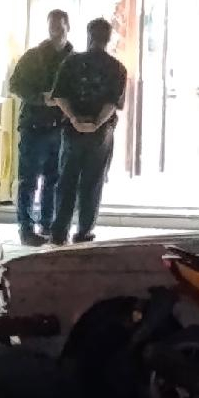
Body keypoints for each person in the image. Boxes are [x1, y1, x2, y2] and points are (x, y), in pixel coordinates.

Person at [47, 17, 128, 246]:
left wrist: (74, 118)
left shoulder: (71, 62)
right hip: (101, 134)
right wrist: (96, 123)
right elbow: (113, 103)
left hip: (72, 131)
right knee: (92, 182)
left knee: (67, 180)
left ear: (89, 35)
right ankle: (84, 232)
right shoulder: (117, 68)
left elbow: (59, 96)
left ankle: (59, 231)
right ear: (108, 38)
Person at [6, 9, 71, 245]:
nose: (56, 31)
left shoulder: (73, 59)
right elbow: (14, 84)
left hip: (60, 128)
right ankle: (26, 228)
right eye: (52, 26)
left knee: (55, 180)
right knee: (29, 180)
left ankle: (47, 225)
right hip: (34, 126)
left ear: (67, 27)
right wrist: (40, 98)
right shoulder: (33, 57)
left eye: (59, 26)